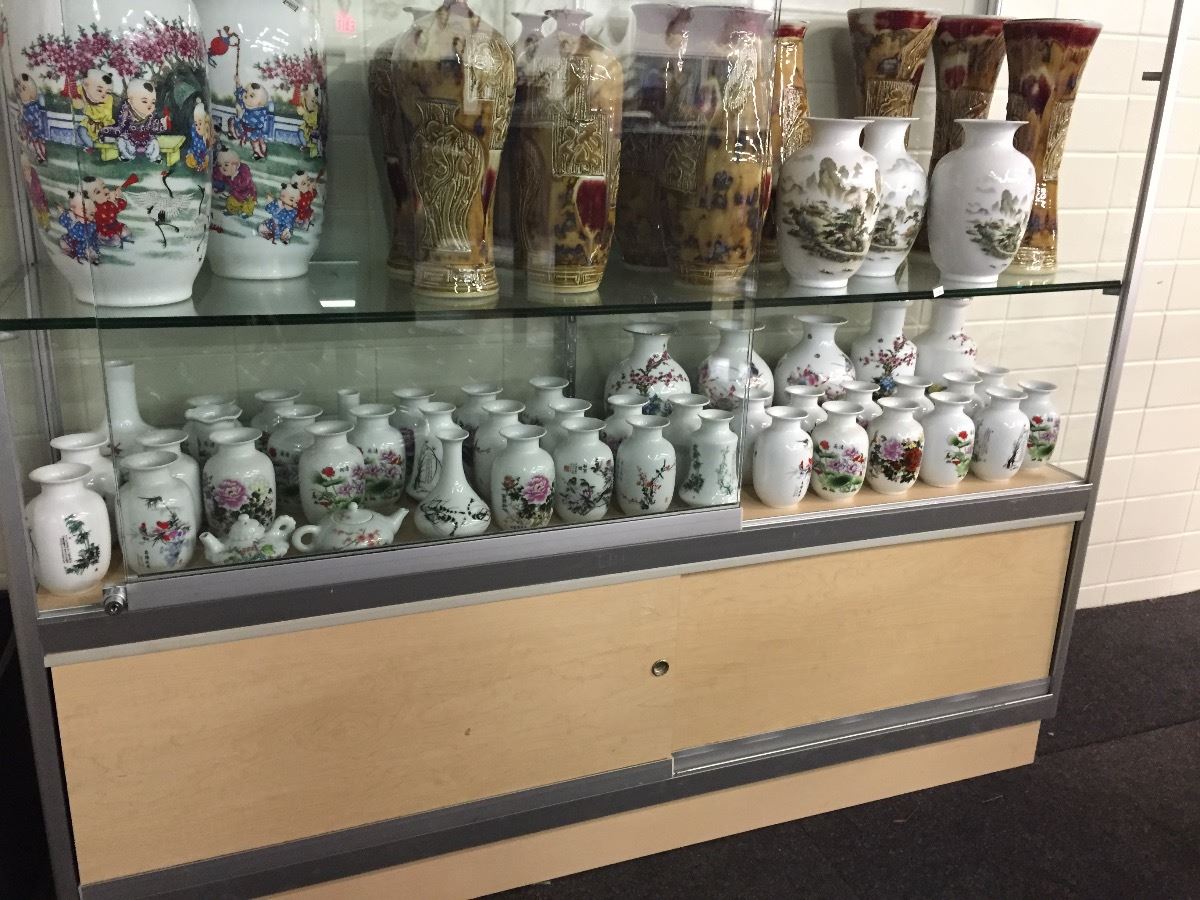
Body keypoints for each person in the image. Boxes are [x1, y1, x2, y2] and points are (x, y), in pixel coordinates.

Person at [101, 78, 166, 162]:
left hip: (146, 138)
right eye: (144, 101)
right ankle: (126, 156)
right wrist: (105, 131)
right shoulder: (126, 113)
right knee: (122, 141)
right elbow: (120, 128)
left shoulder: (150, 115)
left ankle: (154, 157)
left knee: (154, 142)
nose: (149, 105)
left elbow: (154, 127)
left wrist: (162, 125)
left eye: (153, 102)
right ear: (131, 101)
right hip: (130, 137)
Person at [83, 176, 133, 247]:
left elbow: (121, 206)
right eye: (98, 192)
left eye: (104, 187)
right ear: (90, 198)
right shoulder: (94, 208)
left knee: (127, 234)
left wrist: (119, 196)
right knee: (115, 241)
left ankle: (117, 236)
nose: (105, 191)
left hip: (114, 225)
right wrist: (112, 201)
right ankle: (100, 240)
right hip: (103, 230)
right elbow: (106, 216)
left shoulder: (108, 202)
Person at [72, 69, 115, 152]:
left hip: (103, 124)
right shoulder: (82, 91)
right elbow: (77, 104)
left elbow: (107, 114)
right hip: (89, 123)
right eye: (99, 90)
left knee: (107, 134)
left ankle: (102, 146)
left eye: (108, 92)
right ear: (85, 85)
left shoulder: (108, 99)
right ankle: (91, 146)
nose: (104, 95)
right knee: (81, 130)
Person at [212, 145, 258, 218]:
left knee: (248, 203)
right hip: (235, 194)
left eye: (226, 165)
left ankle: (247, 213)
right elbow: (218, 173)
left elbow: (244, 183)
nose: (223, 168)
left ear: (236, 165)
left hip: (247, 193)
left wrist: (234, 178)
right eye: (220, 165)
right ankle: (232, 211)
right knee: (231, 202)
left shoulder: (244, 171)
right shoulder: (227, 173)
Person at [230, 79, 270, 160]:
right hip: (253, 131)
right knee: (260, 142)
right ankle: (262, 151)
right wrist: (238, 84)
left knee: (255, 144)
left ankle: (259, 153)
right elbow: (240, 95)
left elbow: (253, 122)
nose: (246, 95)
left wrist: (240, 114)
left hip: (253, 131)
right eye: (246, 92)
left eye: (251, 96)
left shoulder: (259, 112)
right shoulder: (247, 106)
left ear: (260, 102)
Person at [57, 190, 100, 265]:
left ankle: (92, 256)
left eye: (92, 214)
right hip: (73, 241)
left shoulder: (91, 224)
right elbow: (63, 221)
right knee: (63, 242)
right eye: (84, 212)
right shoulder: (71, 218)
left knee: (90, 250)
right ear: (73, 209)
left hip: (87, 243)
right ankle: (70, 251)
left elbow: (91, 234)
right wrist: (63, 213)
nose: (88, 216)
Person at [15, 72, 47, 163]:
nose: (21, 92)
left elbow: (34, 118)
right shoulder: (26, 107)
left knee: (39, 142)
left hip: (36, 127)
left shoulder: (32, 107)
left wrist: (28, 124)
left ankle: (42, 155)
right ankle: (40, 156)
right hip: (33, 129)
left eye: (23, 89)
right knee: (36, 143)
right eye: (20, 90)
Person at [185, 103, 213, 172]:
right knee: (190, 161)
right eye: (196, 124)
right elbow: (192, 145)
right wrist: (190, 154)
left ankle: (201, 166)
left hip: (203, 159)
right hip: (194, 156)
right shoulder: (194, 131)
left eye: (200, 123)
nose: (198, 127)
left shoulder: (207, 136)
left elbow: (207, 153)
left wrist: (205, 161)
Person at [300, 82, 321, 158]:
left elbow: (314, 105)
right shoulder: (304, 96)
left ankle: (315, 151)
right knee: (308, 133)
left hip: (313, 117)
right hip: (310, 117)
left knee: (313, 134)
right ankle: (313, 150)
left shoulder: (310, 90)